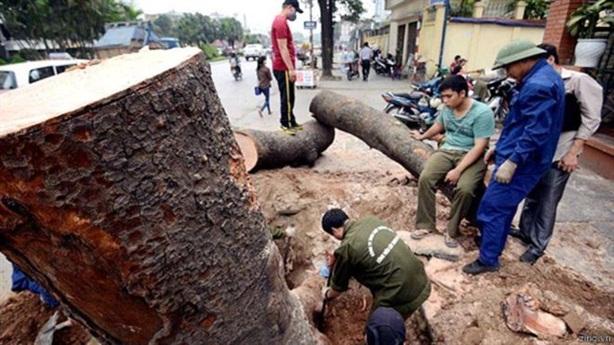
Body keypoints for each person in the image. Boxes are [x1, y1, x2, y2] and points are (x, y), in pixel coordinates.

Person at [462, 40, 565, 275]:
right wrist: (500, 149)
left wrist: (513, 160)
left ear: (524, 61)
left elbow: (536, 131)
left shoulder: (538, 85)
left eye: (509, 67)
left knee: (492, 207)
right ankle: (494, 243)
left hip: (524, 161)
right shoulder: (543, 77)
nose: (507, 73)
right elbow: (520, 123)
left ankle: (488, 259)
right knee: (504, 207)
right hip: (519, 154)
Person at [509, 43, 603, 264]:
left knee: (548, 200)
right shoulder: (536, 83)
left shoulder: (578, 81)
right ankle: (525, 231)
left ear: (550, 60)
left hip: (561, 149)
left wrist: (574, 152)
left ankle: (538, 245)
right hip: (538, 150)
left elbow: (592, 119)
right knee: (532, 194)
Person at [411, 75, 495, 248]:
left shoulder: (482, 112)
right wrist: (422, 136)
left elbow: (480, 147)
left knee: (465, 189)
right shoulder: (447, 109)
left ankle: (452, 229)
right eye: (443, 97)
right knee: (426, 178)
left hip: (472, 154)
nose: (445, 100)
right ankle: (425, 224)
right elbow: (438, 126)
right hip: (448, 150)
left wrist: (458, 171)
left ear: (462, 93)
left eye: (449, 96)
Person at [320, 209, 431, 321]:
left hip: (399, 291)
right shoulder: (371, 220)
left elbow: (337, 289)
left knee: (375, 332)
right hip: (421, 278)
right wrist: (338, 261)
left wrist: (326, 293)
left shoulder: (347, 248)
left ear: (334, 230)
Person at [271, 0, 303, 135]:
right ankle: (286, 123)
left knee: (290, 96)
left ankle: (291, 120)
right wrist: (291, 69)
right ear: (290, 8)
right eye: (295, 10)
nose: (295, 14)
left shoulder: (281, 21)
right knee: (287, 97)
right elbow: (283, 48)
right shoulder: (280, 23)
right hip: (283, 67)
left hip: (284, 66)